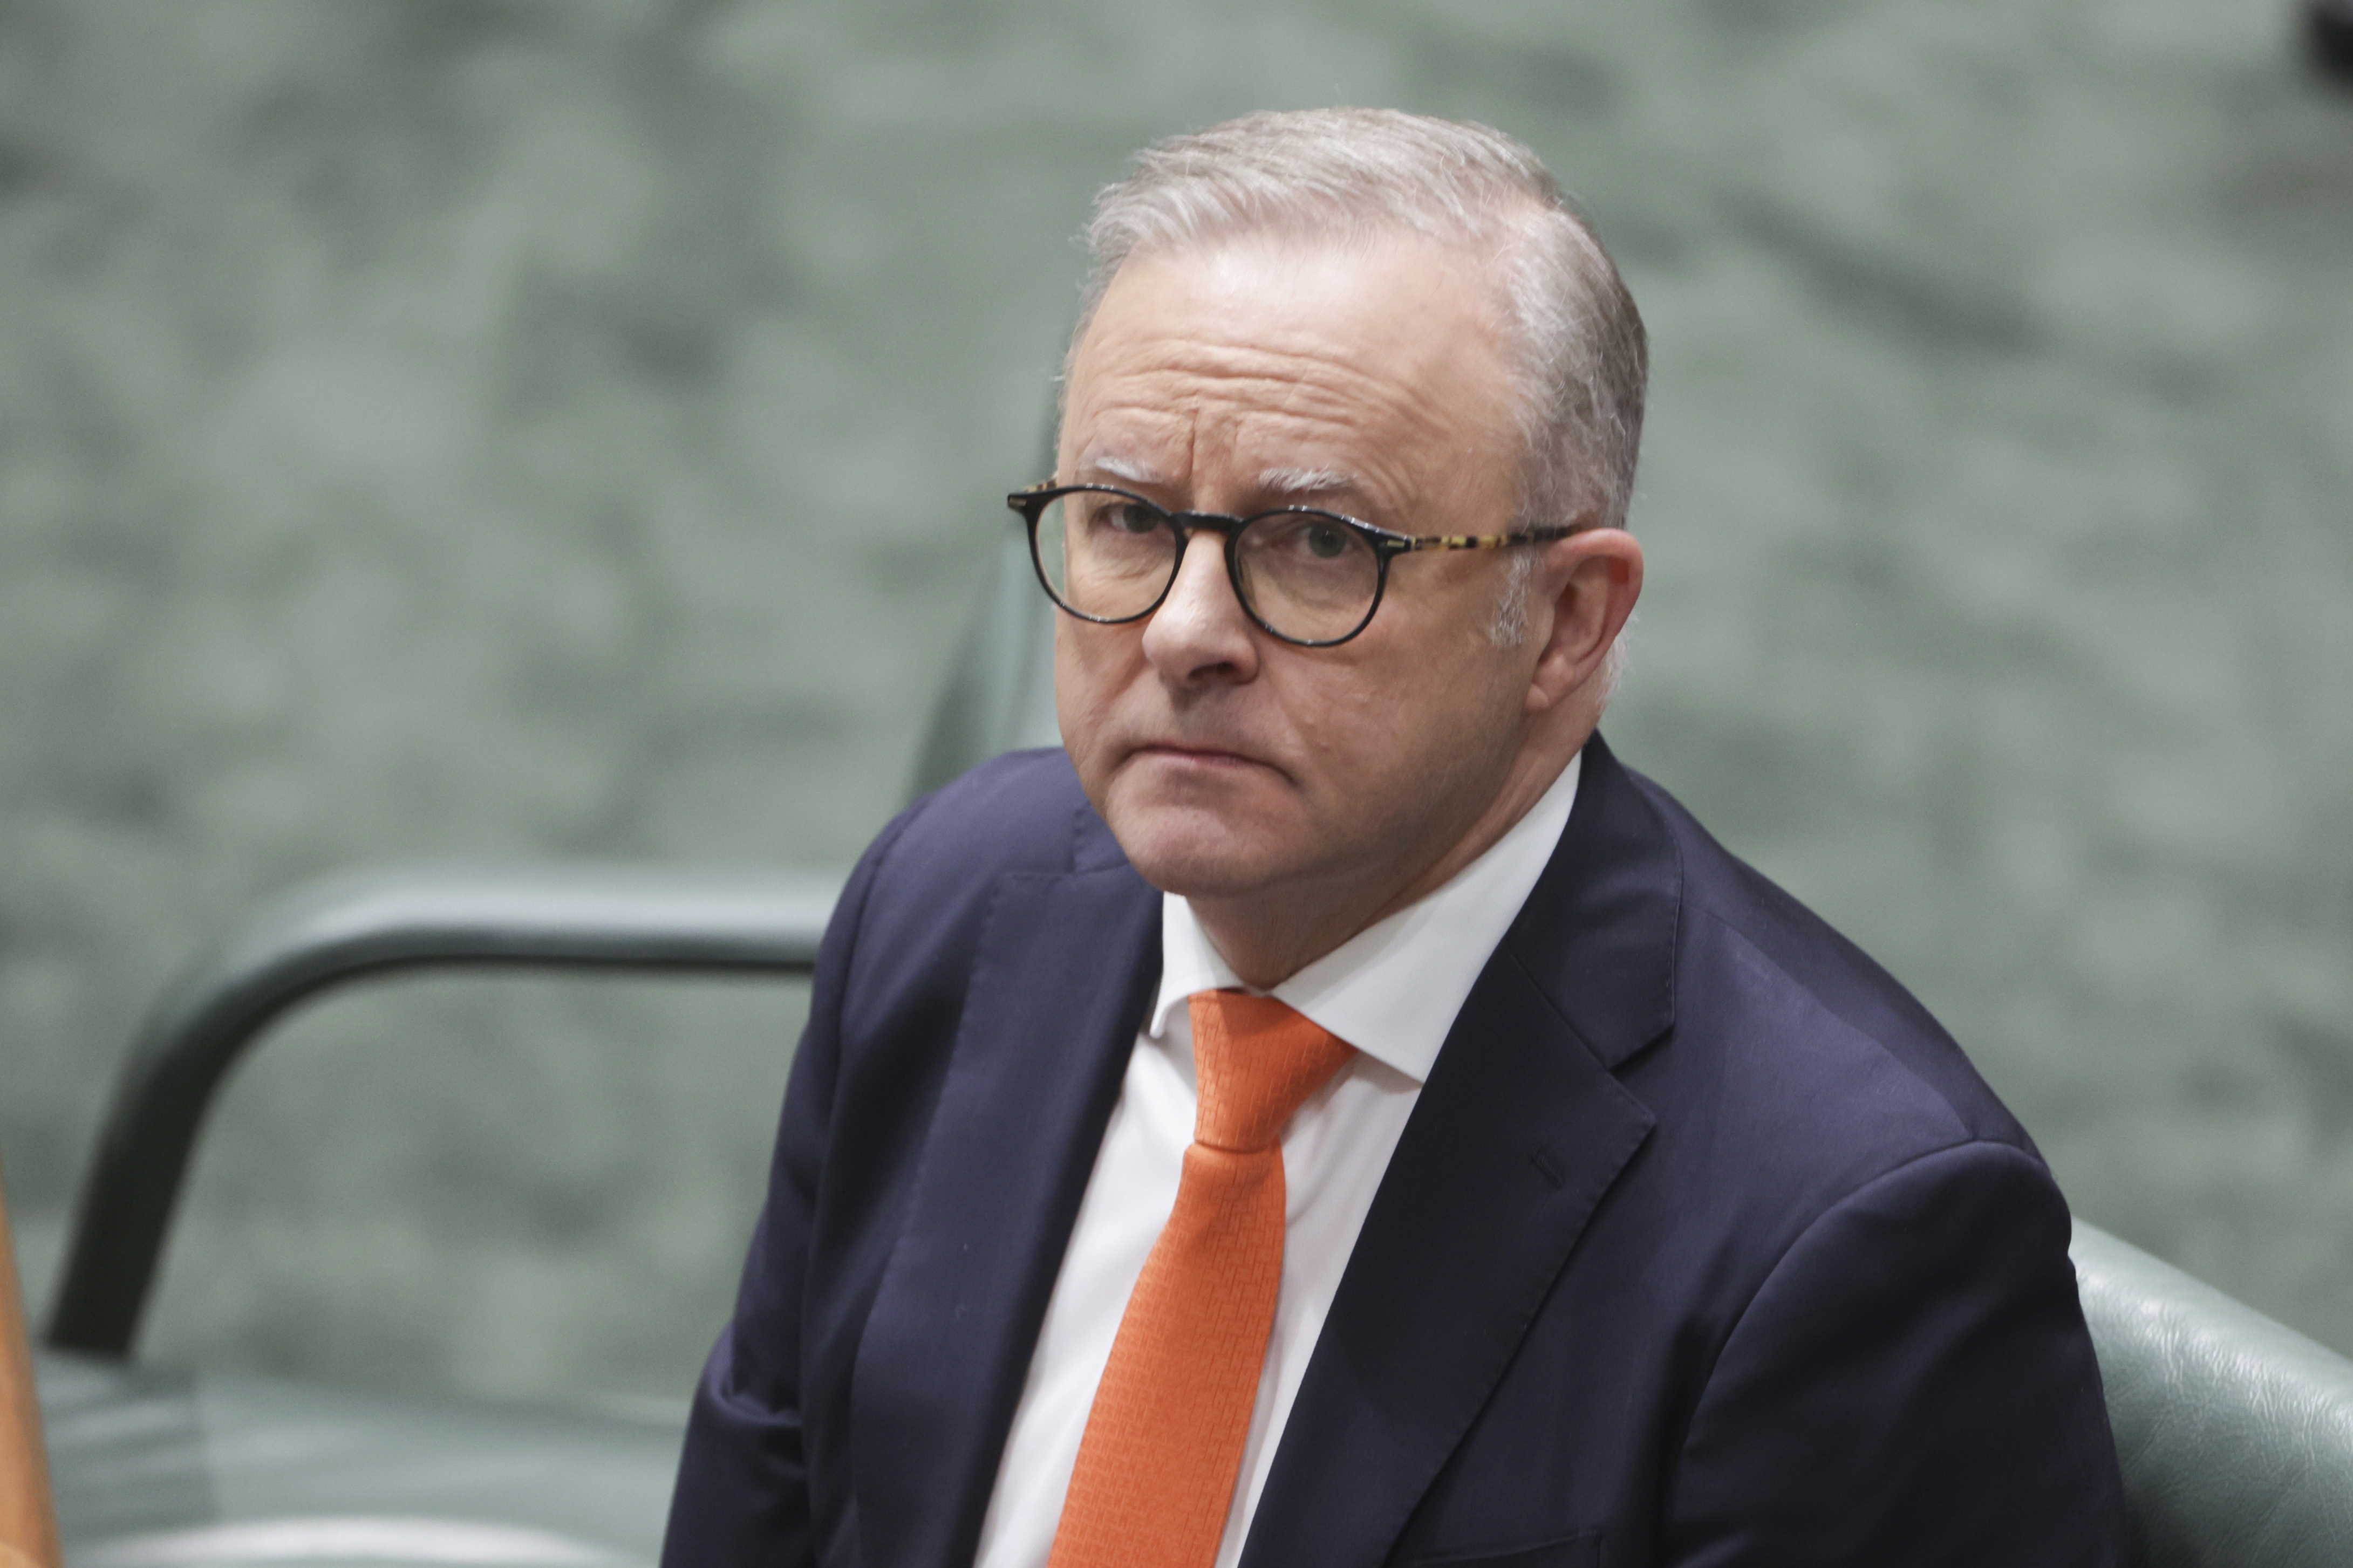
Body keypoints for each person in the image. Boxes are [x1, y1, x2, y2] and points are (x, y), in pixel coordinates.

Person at [664, 109, 2129, 1567]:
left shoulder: (1849, 1235)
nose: (1181, 633)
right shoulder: (947, 901)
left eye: (1316, 545)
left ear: (1565, 621)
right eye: (1122, 516)